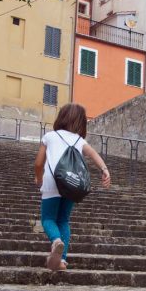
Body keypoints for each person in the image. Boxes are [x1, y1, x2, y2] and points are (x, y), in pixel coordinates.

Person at [34, 103, 111, 271]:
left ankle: (56, 241)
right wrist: (105, 170)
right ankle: (61, 260)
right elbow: (93, 154)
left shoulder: (50, 136)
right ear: (80, 122)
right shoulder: (79, 140)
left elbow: (39, 163)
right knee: (63, 220)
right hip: (71, 182)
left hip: (52, 180)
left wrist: (38, 178)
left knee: (48, 219)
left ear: (61, 117)